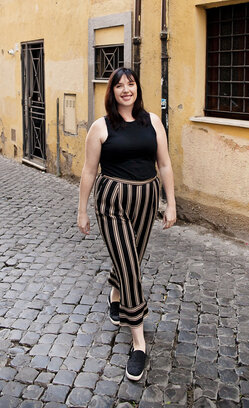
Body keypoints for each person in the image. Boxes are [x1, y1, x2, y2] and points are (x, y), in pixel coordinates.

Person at [77, 67, 176, 381]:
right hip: (112, 203)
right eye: (119, 86)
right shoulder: (101, 127)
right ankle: (138, 343)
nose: (125, 90)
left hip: (146, 201)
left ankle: (115, 294)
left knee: (131, 256)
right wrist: (82, 211)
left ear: (137, 88)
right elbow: (89, 172)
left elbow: (165, 164)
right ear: (112, 92)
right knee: (132, 267)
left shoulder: (153, 122)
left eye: (130, 84)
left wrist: (170, 203)